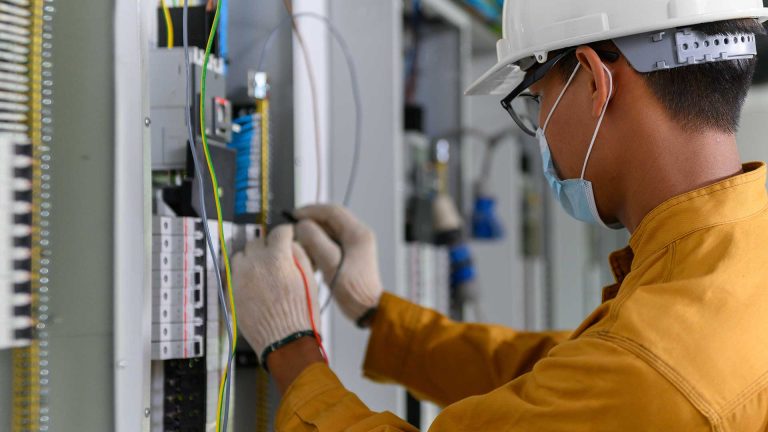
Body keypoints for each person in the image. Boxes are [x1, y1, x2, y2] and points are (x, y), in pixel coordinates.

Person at [232, 1, 768, 430]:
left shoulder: (653, 371)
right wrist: (377, 314)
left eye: (537, 101)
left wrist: (290, 350)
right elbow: (554, 376)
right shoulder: (736, 258)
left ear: (593, 80)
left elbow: (610, 382)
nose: (542, 133)